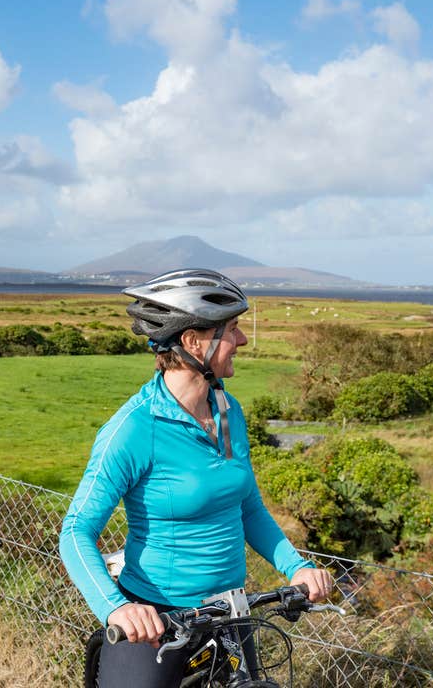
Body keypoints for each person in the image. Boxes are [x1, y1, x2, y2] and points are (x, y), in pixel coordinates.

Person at [59, 268, 334, 687]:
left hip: (231, 614)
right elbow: (76, 530)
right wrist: (117, 609)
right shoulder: (134, 429)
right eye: (233, 329)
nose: (242, 340)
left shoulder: (229, 412)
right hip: (155, 621)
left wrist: (296, 567)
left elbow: (247, 507)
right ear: (192, 342)